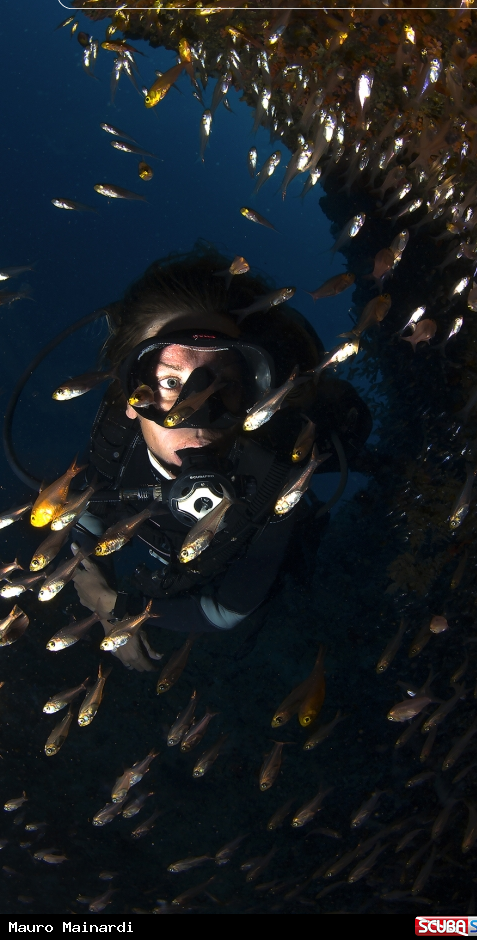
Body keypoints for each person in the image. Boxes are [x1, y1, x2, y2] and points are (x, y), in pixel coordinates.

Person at [71, 242, 371, 669]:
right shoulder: (116, 436)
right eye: (171, 383)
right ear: (129, 397)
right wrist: (106, 604)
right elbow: (80, 512)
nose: (200, 413)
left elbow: (229, 609)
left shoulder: (275, 473)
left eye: (223, 382)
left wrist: (117, 607)